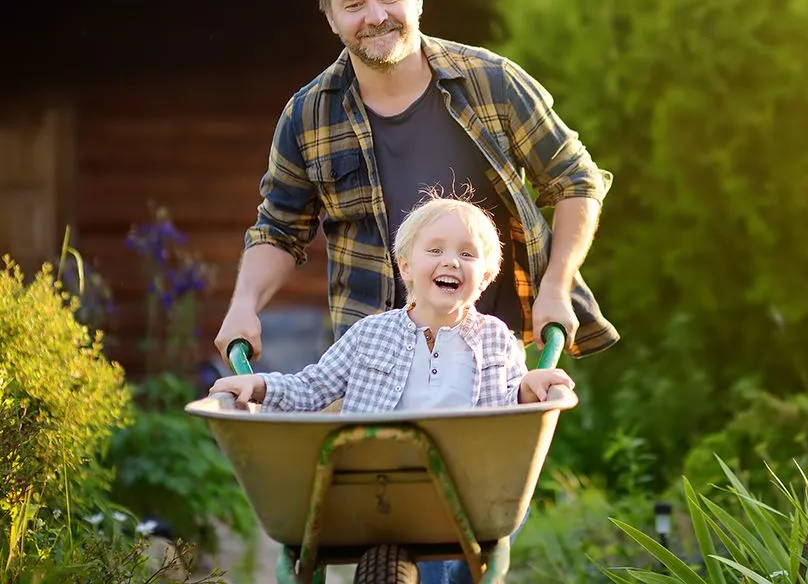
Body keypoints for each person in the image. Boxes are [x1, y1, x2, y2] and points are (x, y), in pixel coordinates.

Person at [213, 0, 619, 365]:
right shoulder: (308, 115)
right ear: (331, 18)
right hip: (373, 366)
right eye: (354, 4)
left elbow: (575, 181)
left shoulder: (491, 83)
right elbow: (279, 229)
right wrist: (243, 305)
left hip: (493, 360)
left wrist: (556, 287)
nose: (375, 16)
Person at [210, 196, 571, 584]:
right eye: (435, 250)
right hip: (375, 486)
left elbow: (509, 410)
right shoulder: (371, 334)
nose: (451, 261)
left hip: (468, 492)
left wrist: (529, 390)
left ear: (484, 277)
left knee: (462, 550)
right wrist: (260, 385)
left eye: (467, 254)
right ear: (406, 266)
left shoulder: (496, 339)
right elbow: (312, 387)